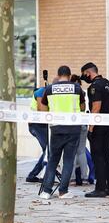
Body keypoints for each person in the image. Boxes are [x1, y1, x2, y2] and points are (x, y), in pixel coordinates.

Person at [39, 66, 85, 199]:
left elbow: (43, 107)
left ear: (58, 76)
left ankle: (46, 191)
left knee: (53, 160)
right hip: (73, 128)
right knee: (68, 160)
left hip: (56, 128)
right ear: (70, 76)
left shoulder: (50, 89)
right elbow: (82, 107)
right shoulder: (77, 88)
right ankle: (63, 191)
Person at [81, 62, 109, 198]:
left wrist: (91, 129)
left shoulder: (95, 87)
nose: (84, 77)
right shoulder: (108, 83)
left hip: (99, 125)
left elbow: (96, 107)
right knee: (107, 155)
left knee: (98, 156)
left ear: (88, 73)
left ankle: (100, 188)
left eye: (84, 75)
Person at [26, 83, 48, 183]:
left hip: (42, 125)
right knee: (48, 149)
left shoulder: (46, 91)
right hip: (36, 125)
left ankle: (34, 175)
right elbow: (41, 110)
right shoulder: (40, 92)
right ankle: (38, 174)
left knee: (48, 150)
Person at [70, 74, 89, 185]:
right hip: (82, 123)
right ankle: (85, 178)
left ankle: (72, 179)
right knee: (81, 151)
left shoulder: (69, 93)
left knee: (72, 152)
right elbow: (83, 108)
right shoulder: (82, 92)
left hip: (72, 124)